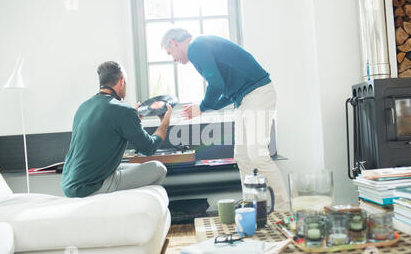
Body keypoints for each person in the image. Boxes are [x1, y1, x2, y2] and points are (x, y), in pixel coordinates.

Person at [161, 29, 289, 211]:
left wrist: (202, 107)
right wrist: (202, 109)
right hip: (244, 98)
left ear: (174, 42)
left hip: (258, 94)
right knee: (243, 156)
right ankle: (253, 207)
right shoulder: (201, 47)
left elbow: (216, 84)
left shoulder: (196, 46)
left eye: (169, 53)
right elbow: (228, 92)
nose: (173, 58)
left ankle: (283, 210)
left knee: (258, 155)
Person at [61, 61, 172, 198]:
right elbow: (148, 148)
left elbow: (107, 130)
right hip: (88, 187)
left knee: (122, 165)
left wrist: (134, 118)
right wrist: (164, 123)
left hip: (69, 183)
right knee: (159, 168)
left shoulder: (83, 107)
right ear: (122, 81)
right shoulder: (123, 110)